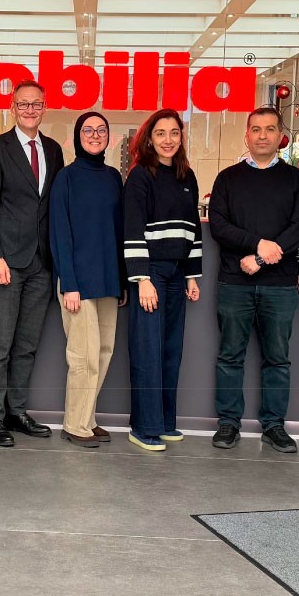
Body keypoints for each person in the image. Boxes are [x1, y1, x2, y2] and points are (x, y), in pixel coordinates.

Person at [208, 106, 299, 452]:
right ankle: (228, 423)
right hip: (234, 283)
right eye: (256, 129)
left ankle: (274, 425)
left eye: (269, 129)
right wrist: (257, 245)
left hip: (279, 285)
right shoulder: (227, 178)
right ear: (247, 135)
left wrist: (261, 258)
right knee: (230, 357)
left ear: (281, 136)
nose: (263, 135)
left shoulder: (296, 179)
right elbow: (219, 225)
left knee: (277, 359)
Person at [0, 80, 65, 448]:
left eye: (36, 104)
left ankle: (16, 411)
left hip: (41, 263)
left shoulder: (54, 150)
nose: (30, 110)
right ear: (13, 108)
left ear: (45, 108)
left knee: (26, 345)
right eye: (23, 104)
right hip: (6, 263)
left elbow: (55, 206)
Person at [123, 109, 203, 452]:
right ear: (149, 139)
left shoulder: (187, 176)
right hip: (151, 272)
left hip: (177, 272)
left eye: (174, 133)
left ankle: (166, 422)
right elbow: (132, 227)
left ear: (181, 137)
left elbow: (194, 229)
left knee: (171, 351)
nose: (168, 140)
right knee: (148, 351)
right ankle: (143, 427)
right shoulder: (141, 176)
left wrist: (192, 275)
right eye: (160, 133)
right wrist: (142, 278)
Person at [50, 111, 125, 449]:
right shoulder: (66, 178)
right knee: (84, 356)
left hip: (108, 279)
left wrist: (122, 280)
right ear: (78, 136)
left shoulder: (113, 177)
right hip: (77, 282)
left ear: (108, 136)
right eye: (88, 130)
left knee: (104, 353)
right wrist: (68, 283)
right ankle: (74, 424)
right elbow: (59, 233)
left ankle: (87, 418)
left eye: (101, 130)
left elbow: (118, 231)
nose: (95, 135)